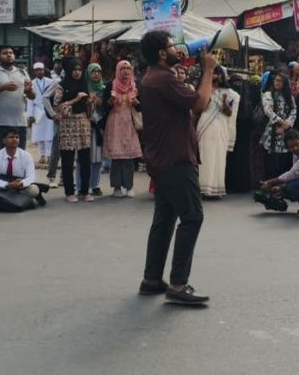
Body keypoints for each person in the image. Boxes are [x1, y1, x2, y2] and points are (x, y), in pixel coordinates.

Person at [138, 30, 217, 306]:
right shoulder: (163, 79)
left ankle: (152, 278)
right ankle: (179, 283)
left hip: (162, 159)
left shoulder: (152, 77)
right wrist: (208, 71)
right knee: (192, 217)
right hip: (176, 159)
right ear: (162, 53)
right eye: (172, 46)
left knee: (165, 219)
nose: (177, 49)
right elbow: (201, 103)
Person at [0, 45, 35, 153]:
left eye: (11, 53)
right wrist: (2, 88)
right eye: (5, 53)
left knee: (18, 156)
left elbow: (32, 96)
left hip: (19, 123)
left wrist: (28, 91)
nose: (9, 55)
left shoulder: (22, 72)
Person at [197, 67, 240, 200]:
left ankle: (215, 190)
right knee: (203, 158)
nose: (215, 76)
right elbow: (198, 109)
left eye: (217, 73)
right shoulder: (203, 90)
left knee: (218, 158)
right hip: (204, 127)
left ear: (222, 76)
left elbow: (230, 114)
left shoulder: (231, 94)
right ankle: (202, 189)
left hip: (221, 129)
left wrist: (225, 105)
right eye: (212, 73)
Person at [54, 57, 93, 203]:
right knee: (68, 160)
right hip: (68, 125)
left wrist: (90, 103)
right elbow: (57, 108)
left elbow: (90, 113)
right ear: (68, 70)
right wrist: (75, 99)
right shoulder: (61, 86)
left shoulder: (84, 84)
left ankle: (85, 191)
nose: (77, 73)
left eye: (79, 70)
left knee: (85, 159)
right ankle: (69, 191)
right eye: (74, 70)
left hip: (83, 123)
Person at [103, 60, 143, 198]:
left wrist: (137, 102)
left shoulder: (135, 86)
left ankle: (129, 186)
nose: (126, 72)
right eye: (123, 69)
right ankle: (116, 187)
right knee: (116, 158)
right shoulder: (110, 85)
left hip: (129, 123)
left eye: (128, 69)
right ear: (117, 70)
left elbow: (141, 107)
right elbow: (104, 106)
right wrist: (111, 100)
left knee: (129, 157)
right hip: (115, 122)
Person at [0, 127, 43, 211]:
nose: (15, 139)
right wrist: (7, 184)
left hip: (20, 187)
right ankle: (25, 202)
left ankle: (6, 203)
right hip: (3, 187)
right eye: (11, 137)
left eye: (17, 137)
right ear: (4, 140)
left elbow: (31, 177)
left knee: (34, 189)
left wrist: (21, 183)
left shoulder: (26, 156)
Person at [260, 72, 296, 179]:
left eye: (280, 81)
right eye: (276, 80)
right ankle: (269, 184)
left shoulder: (289, 97)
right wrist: (281, 122)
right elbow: (268, 111)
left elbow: (294, 110)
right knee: (271, 159)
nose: (277, 83)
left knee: (284, 159)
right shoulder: (268, 94)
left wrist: (287, 125)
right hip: (272, 131)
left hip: (285, 131)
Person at [78, 63, 107, 197]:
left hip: (99, 126)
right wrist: (88, 102)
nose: (96, 74)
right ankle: (81, 185)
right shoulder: (83, 88)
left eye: (98, 72)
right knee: (84, 157)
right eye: (93, 72)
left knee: (98, 157)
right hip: (85, 126)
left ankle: (95, 185)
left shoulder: (104, 89)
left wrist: (101, 102)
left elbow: (108, 107)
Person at [27, 62, 55, 165]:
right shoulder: (32, 83)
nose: (39, 71)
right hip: (37, 112)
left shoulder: (50, 82)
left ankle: (48, 155)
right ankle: (42, 155)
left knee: (49, 135)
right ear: (34, 72)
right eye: (37, 70)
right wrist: (30, 115)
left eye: (41, 69)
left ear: (44, 70)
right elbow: (30, 101)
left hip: (48, 110)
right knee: (39, 136)